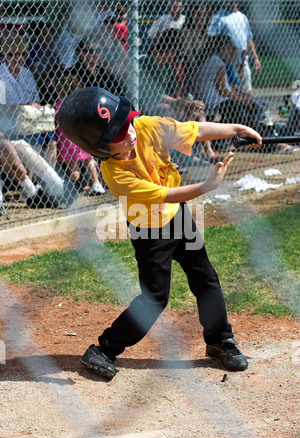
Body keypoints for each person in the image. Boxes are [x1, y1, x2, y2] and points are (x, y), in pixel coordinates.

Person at [58, 87, 263, 379]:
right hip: (148, 229)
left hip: (178, 217)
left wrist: (236, 128)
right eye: (117, 135)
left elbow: (193, 130)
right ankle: (104, 349)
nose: (129, 133)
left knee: (205, 277)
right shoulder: (115, 175)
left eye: (126, 123)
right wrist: (207, 186)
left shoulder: (144, 127)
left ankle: (220, 340)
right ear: (100, 149)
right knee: (155, 297)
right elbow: (165, 195)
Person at [140, 30, 222, 165]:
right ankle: (176, 156)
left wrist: (188, 103)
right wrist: (181, 103)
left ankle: (205, 151)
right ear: (170, 52)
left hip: (170, 102)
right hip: (150, 104)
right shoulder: (148, 63)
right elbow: (156, 96)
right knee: (169, 110)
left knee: (198, 111)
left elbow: (176, 91)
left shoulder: (166, 65)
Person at [0, 32, 57, 167]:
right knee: (35, 140)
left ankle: (46, 182)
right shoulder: (1, 75)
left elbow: (35, 99)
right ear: (4, 55)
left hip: (31, 117)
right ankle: (33, 183)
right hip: (10, 121)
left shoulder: (27, 73)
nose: (17, 58)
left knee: (52, 140)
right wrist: (24, 106)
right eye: (12, 54)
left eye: (22, 53)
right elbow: (2, 108)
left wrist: (34, 106)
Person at [194, 35, 267, 128]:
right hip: (214, 102)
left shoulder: (214, 60)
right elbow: (222, 90)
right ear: (223, 47)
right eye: (229, 47)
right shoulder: (218, 63)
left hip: (213, 100)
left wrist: (242, 95)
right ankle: (248, 133)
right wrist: (242, 100)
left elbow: (228, 86)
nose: (231, 51)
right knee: (245, 108)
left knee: (251, 105)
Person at [55, 71, 105, 195]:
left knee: (73, 165)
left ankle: (75, 186)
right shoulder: (80, 103)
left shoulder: (59, 105)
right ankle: (96, 183)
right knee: (88, 159)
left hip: (66, 139)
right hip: (81, 136)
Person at [207, 1, 261, 92]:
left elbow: (248, 39)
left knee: (246, 94)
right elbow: (212, 41)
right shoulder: (218, 17)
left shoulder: (242, 17)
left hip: (243, 62)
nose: (232, 2)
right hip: (226, 64)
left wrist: (255, 58)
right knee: (232, 94)